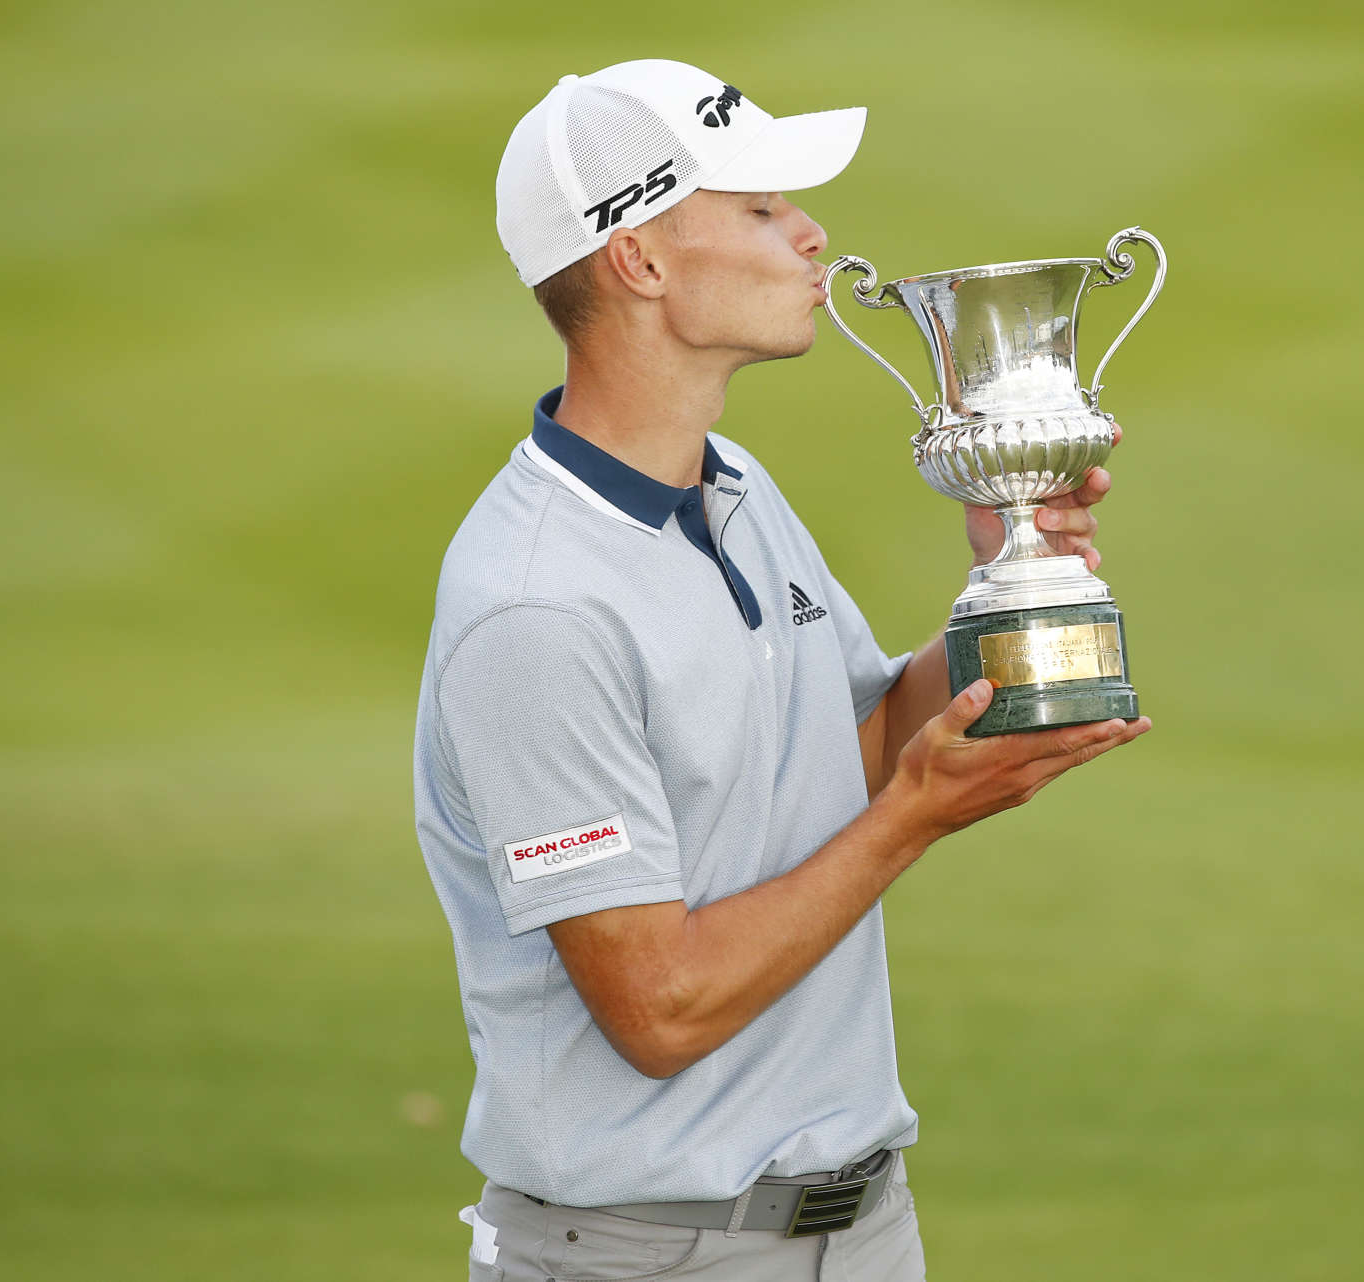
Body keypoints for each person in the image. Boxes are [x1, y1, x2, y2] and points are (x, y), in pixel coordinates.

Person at [413, 59, 1151, 1281]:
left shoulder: (738, 488)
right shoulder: (535, 606)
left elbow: (844, 758)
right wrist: (916, 819)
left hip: (860, 1234)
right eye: (759, 208)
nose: (811, 232)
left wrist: (1001, 590)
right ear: (639, 260)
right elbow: (660, 1010)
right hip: (648, 1257)